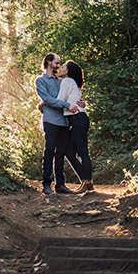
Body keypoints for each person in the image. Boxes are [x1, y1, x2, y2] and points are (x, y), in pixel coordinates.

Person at [35, 53, 79, 195]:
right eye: (56, 63)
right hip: (51, 120)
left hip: (64, 121)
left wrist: (78, 103)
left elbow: (70, 95)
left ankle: (60, 185)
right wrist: (66, 104)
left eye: (59, 63)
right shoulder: (40, 81)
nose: (58, 66)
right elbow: (48, 99)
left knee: (60, 153)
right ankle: (46, 184)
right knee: (49, 151)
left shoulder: (62, 81)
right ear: (48, 62)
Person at [58, 60, 93, 192]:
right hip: (79, 120)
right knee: (70, 152)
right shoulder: (72, 83)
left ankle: (87, 181)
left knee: (83, 152)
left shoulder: (67, 81)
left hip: (78, 119)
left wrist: (44, 103)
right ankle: (86, 180)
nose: (60, 69)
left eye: (62, 67)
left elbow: (60, 100)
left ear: (68, 71)